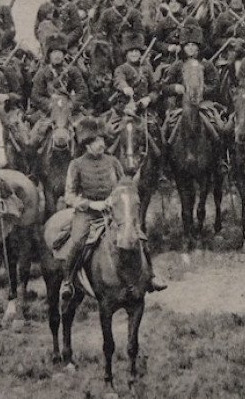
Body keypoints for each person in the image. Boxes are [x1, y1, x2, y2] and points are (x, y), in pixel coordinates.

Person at [55, 116, 167, 293]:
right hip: (87, 214)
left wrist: (117, 199)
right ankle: (68, 282)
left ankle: (150, 277)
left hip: (113, 211)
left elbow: (123, 185)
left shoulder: (113, 161)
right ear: (87, 144)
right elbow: (69, 196)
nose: (102, 144)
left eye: (102, 140)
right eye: (97, 141)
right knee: (78, 241)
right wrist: (92, 204)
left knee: (139, 235)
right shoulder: (76, 165)